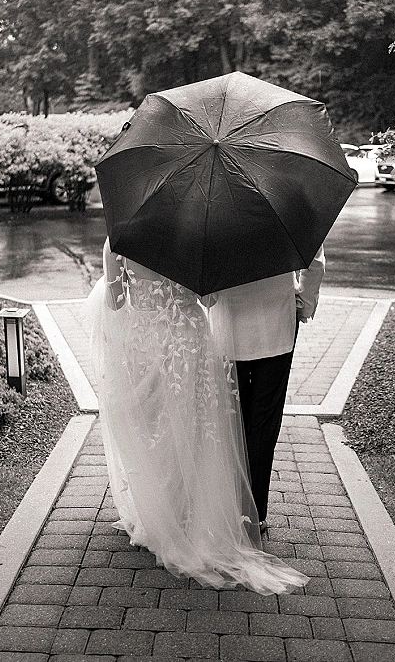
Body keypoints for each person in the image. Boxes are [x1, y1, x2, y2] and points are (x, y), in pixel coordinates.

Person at [85, 239, 310, 594]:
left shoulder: (119, 239)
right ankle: (197, 514)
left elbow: (115, 302)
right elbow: (210, 299)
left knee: (154, 428)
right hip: (189, 341)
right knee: (193, 429)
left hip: (145, 340)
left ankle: (162, 513)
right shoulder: (192, 237)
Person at [212, 247, 326, 528]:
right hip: (276, 321)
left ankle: (232, 504)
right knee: (264, 419)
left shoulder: (214, 208)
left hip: (230, 323)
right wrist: (304, 301)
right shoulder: (290, 203)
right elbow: (314, 261)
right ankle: (254, 512)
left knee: (233, 418)